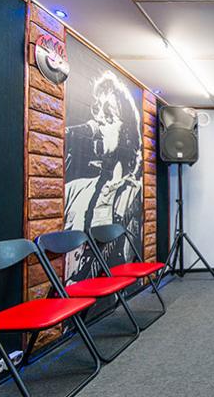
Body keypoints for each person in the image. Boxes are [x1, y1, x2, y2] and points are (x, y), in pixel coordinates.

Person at [64, 70, 143, 283]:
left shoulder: (134, 194)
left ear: (127, 133)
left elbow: (129, 258)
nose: (98, 120)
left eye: (109, 115)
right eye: (97, 111)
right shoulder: (74, 189)